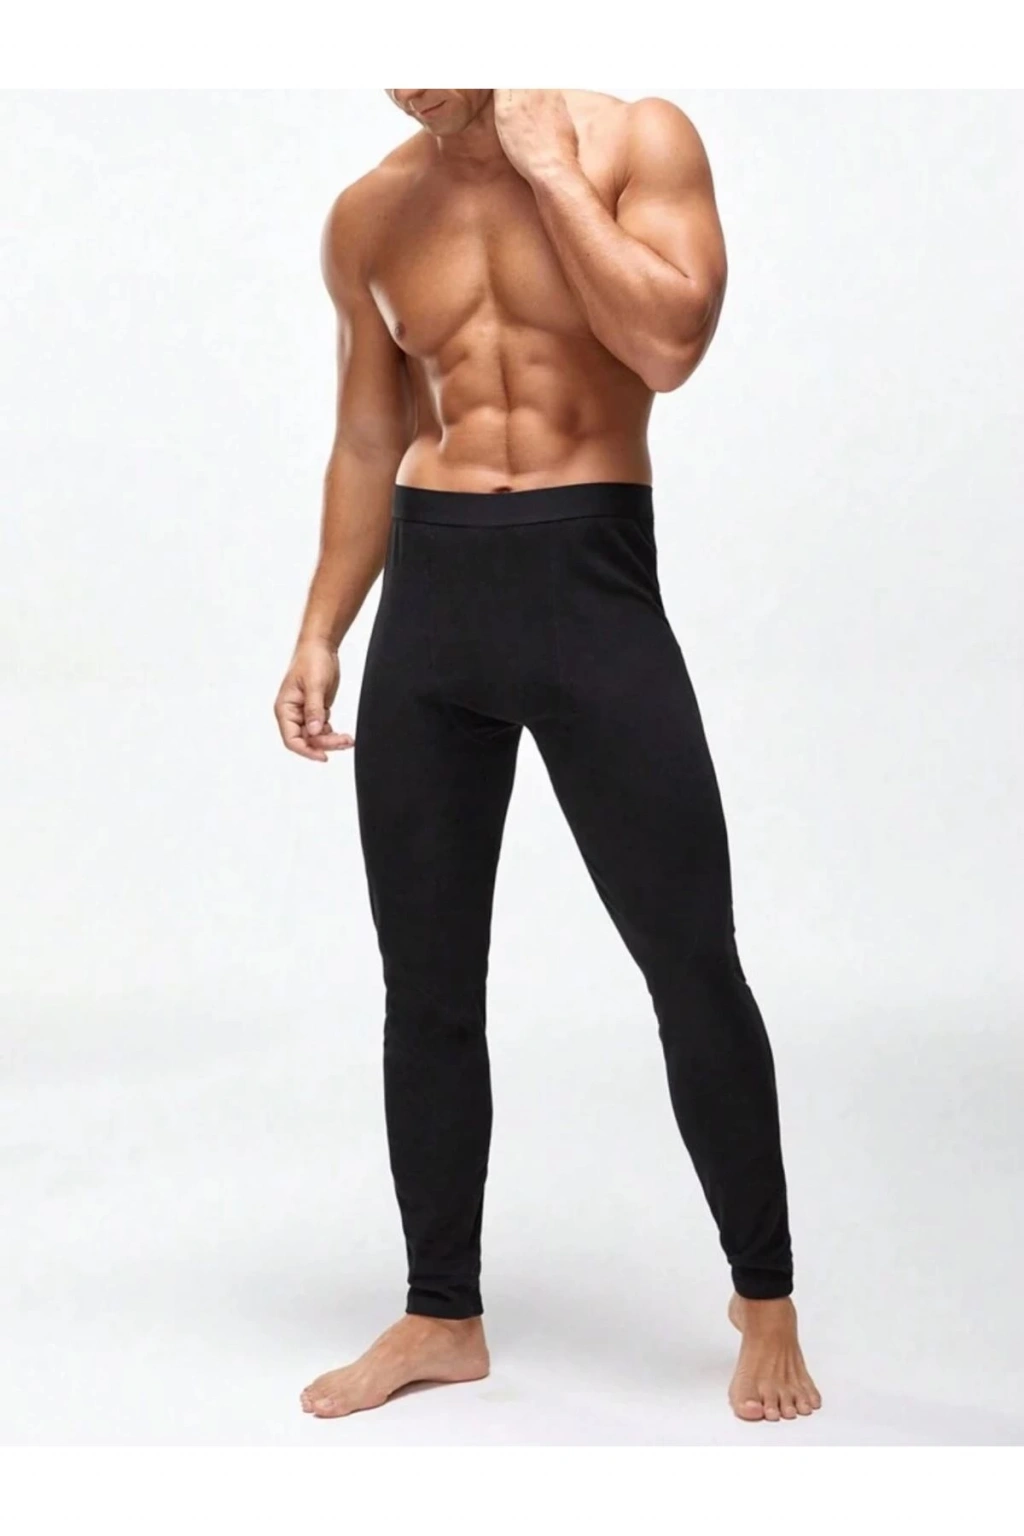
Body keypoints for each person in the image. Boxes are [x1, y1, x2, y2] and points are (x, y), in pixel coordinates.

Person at [274, 88, 821, 1425]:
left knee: (691, 962)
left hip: (590, 586)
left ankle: (765, 1302)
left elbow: (672, 342)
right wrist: (321, 628)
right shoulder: (369, 214)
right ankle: (440, 1315)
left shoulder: (633, 140)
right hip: (434, 609)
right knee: (426, 985)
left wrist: (548, 171)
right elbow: (369, 433)